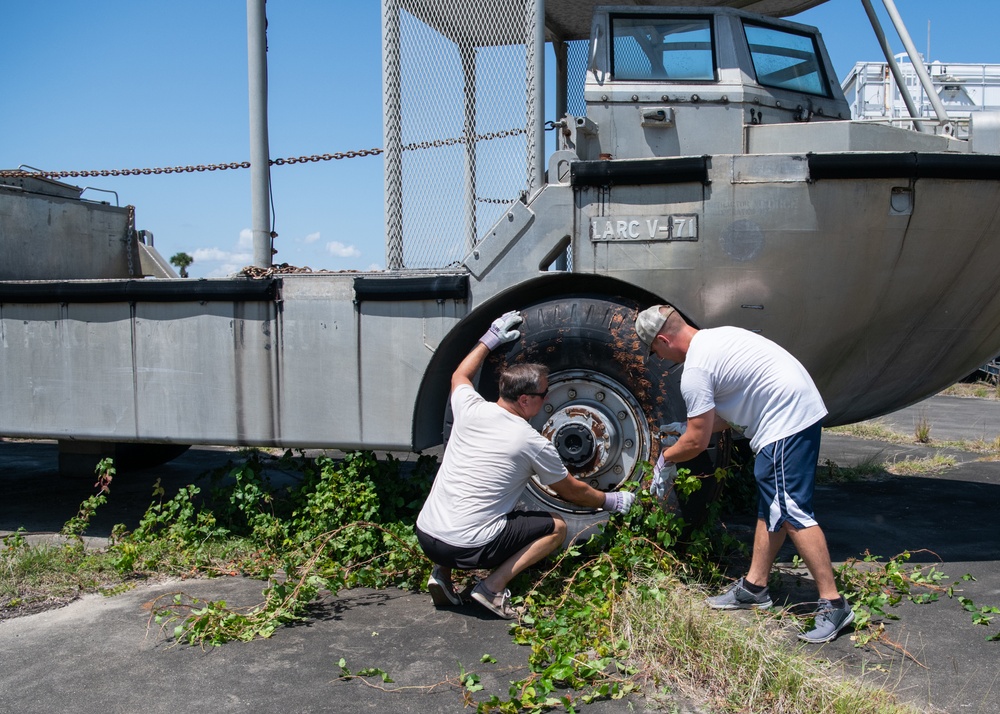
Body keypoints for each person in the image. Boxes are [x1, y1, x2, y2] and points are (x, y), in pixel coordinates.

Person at [634, 304, 854, 644]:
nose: (660, 358)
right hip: (793, 410)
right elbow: (723, 414)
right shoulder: (716, 339)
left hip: (785, 421)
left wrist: (666, 458)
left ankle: (834, 604)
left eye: (655, 351)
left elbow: (697, 440)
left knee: (792, 511)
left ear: (663, 339)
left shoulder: (695, 369)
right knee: (772, 508)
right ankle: (754, 587)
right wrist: (686, 426)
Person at [416, 310, 636, 619]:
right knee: (556, 528)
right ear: (525, 400)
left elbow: (459, 376)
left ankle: (441, 573)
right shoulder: (530, 441)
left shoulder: (470, 408)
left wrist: (488, 339)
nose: (547, 400)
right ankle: (491, 589)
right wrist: (609, 500)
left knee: (477, 504)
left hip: (426, 535)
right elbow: (571, 491)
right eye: (544, 394)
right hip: (467, 548)